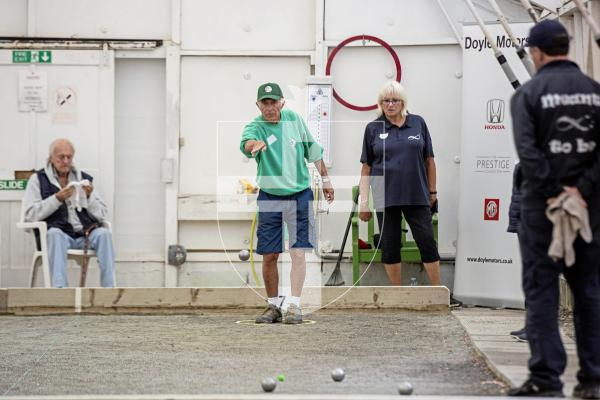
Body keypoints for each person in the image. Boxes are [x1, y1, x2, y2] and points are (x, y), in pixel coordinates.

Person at [508, 20, 600, 398]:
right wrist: (580, 191)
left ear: (536, 52)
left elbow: (527, 153)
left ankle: (546, 380)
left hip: (541, 210)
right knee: (590, 292)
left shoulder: (527, 95)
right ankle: (593, 380)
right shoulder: (595, 92)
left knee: (542, 291)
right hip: (590, 210)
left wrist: (551, 191)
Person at [240, 82, 334, 324]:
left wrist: (326, 181)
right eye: (265, 103)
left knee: (297, 251)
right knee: (269, 254)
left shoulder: (294, 119)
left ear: (281, 102)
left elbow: (313, 152)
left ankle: (294, 304)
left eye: (273, 102)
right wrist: (254, 146)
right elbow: (246, 144)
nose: (269, 107)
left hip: (299, 194)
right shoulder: (255, 126)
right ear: (258, 104)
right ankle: (273, 306)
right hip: (270, 196)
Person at [358, 81, 441, 287]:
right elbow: (366, 168)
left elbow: (429, 160)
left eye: (395, 100)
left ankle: (438, 291)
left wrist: (432, 192)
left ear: (402, 102)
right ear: (380, 103)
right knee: (390, 245)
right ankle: (398, 293)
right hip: (385, 197)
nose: (390, 104)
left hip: (417, 195)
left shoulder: (418, 123)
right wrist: (364, 202)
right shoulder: (373, 128)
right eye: (386, 100)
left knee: (427, 242)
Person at [23, 138, 115, 288]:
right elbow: (29, 215)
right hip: (59, 236)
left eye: (69, 157)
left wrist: (89, 197)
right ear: (51, 157)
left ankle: (109, 289)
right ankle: (60, 291)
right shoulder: (38, 179)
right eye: (61, 157)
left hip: (84, 235)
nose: (66, 161)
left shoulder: (84, 179)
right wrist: (57, 198)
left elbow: (102, 214)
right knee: (54, 234)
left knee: (104, 234)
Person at [507, 163, 528, 343]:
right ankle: (532, 324)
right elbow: (518, 195)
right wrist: (515, 224)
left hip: (540, 223)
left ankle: (537, 328)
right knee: (531, 278)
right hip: (527, 224)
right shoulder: (523, 164)